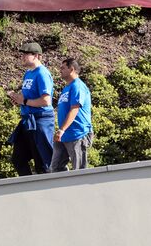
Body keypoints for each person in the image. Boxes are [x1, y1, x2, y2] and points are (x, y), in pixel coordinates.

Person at [7, 42, 55, 175]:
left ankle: (48, 186)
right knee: (18, 159)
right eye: (22, 54)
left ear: (36, 56)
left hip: (41, 120)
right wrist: (17, 98)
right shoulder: (28, 73)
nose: (22, 57)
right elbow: (27, 97)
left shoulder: (42, 73)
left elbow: (46, 101)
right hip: (27, 120)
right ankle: (29, 185)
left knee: (43, 162)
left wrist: (24, 101)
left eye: (26, 54)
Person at [50, 57, 93, 172]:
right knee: (56, 168)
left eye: (63, 68)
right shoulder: (67, 88)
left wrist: (62, 129)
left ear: (72, 69)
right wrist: (61, 131)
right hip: (64, 135)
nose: (60, 70)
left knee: (79, 171)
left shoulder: (77, 86)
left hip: (77, 133)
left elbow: (74, 109)